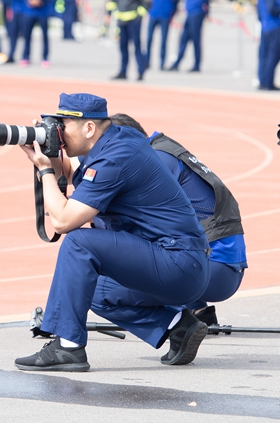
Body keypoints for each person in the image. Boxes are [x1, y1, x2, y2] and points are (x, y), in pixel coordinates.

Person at [14, 93, 211, 371]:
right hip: (181, 263)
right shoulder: (121, 140)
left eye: (63, 126)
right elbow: (81, 181)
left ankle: (68, 348)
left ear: (89, 128)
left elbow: (63, 222)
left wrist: (45, 170)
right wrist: (51, 156)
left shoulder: (115, 158)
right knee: (94, 293)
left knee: (80, 242)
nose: (58, 133)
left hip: (177, 263)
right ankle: (178, 326)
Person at [95, 113, 247, 327]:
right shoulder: (162, 151)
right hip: (219, 267)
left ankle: (177, 325)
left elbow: (121, 222)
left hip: (214, 270)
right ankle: (196, 309)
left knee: (99, 288)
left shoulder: (157, 161)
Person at [166, 0, 209, 73]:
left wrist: (206, 12)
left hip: (197, 13)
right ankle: (177, 62)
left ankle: (197, 64)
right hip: (189, 13)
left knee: (196, 39)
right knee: (183, 38)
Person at [109, 0, 149, 80]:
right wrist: (109, 13)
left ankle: (141, 72)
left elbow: (147, 2)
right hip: (121, 20)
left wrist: (138, 16)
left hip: (134, 21)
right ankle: (123, 71)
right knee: (123, 47)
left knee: (136, 46)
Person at [20, 0, 54, 68]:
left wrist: (38, 0)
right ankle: (25, 57)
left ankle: (45, 58)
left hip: (43, 13)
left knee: (44, 36)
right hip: (29, 12)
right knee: (27, 36)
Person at [146, 0, 178, 69]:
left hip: (165, 15)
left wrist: (172, 11)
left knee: (164, 40)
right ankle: (146, 61)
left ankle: (162, 62)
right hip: (153, 13)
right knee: (149, 39)